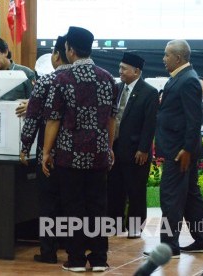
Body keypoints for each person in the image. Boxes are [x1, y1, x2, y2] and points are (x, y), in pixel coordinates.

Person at [42, 26, 118, 273]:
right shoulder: (107, 78)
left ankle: (75, 259)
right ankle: (99, 258)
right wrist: (108, 147)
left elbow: (53, 119)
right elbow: (111, 119)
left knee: (72, 206)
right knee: (98, 206)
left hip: (69, 154)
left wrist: (45, 152)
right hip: (97, 152)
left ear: (70, 49)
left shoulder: (62, 79)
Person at [150, 39, 203, 259]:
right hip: (179, 148)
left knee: (170, 198)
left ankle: (169, 247)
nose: (163, 58)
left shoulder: (188, 80)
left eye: (167, 54)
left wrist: (187, 149)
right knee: (190, 197)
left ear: (178, 57)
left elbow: (194, 119)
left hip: (180, 152)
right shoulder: (181, 78)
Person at [20, 35, 71, 264]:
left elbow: (32, 117)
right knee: (72, 202)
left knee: (48, 203)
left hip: (47, 153)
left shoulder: (47, 81)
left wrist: (25, 146)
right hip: (75, 153)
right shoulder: (88, 79)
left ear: (57, 55)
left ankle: (48, 252)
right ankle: (72, 248)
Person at [107, 52, 159, 239]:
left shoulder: (149, 92)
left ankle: (135, 227)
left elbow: (150, 123)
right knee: (114, 188)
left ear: (136, 71)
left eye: (124, 68)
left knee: (135, 190)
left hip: (137, 150)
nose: (119, 71)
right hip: (115, 149)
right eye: (120, 67)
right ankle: (113, 225)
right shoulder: (117, 88)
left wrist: (144, 148)